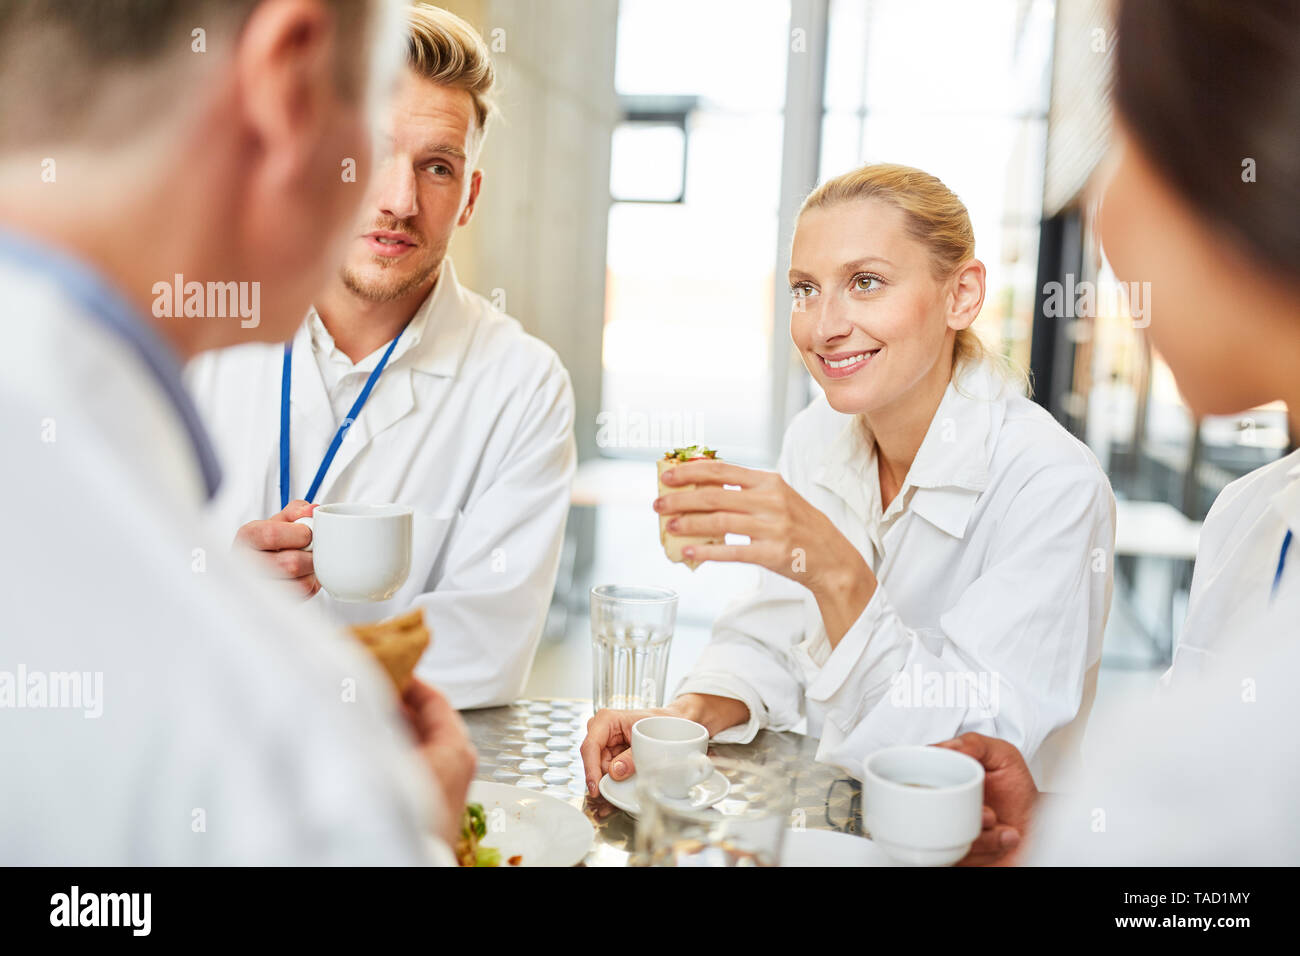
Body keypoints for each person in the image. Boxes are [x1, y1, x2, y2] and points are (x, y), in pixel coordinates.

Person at [0, 0, 473, 864]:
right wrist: (417, 836)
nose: (394, 197)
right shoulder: (291, 759)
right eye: (372, 119)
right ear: (290, 81)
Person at [581, 164, 1117, 796]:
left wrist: (839, 574)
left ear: (962, 296)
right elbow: (779, 631)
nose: (824, 326)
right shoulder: (817, 435)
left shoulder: (1051, 485)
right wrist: (686, 718)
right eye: (805, 289)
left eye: (866, 283)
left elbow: (975, 756)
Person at [939, 0, 1300, 864]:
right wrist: (1063, 825)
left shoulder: (1049, 477)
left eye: (1124, 140)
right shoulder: (1253, 518)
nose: (1104, 214)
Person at [186, 4, 576, 709]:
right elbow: (106, 574)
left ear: (468, 198)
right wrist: (216, 582)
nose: (399, 201)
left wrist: (251, 649)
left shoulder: (523, 385)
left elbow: (480, 656)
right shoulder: (207, 327)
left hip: (389, 783)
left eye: (436, 167)